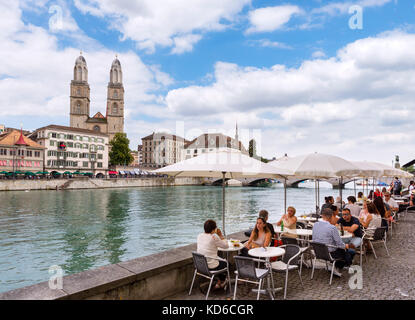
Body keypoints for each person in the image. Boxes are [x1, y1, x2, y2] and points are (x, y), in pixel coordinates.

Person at [312, 208, 355, 276]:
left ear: (322, 215)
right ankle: (338, 267)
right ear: (332, 216)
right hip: (330, 254)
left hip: (318, 252)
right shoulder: (332, 228)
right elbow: (340, 244)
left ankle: (334, 266)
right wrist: (347, 246)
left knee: (345, 250)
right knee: (351, 252)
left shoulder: (315, 225)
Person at [197, 219, 229, 289]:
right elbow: (226, 246)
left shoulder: (199, 236)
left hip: (201, 265)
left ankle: (219, 281)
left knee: (219, 259)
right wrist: (220, 235)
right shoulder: (214, 237)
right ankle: (222, 281)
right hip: (211, 266)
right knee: (226, 263)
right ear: (213, 229)